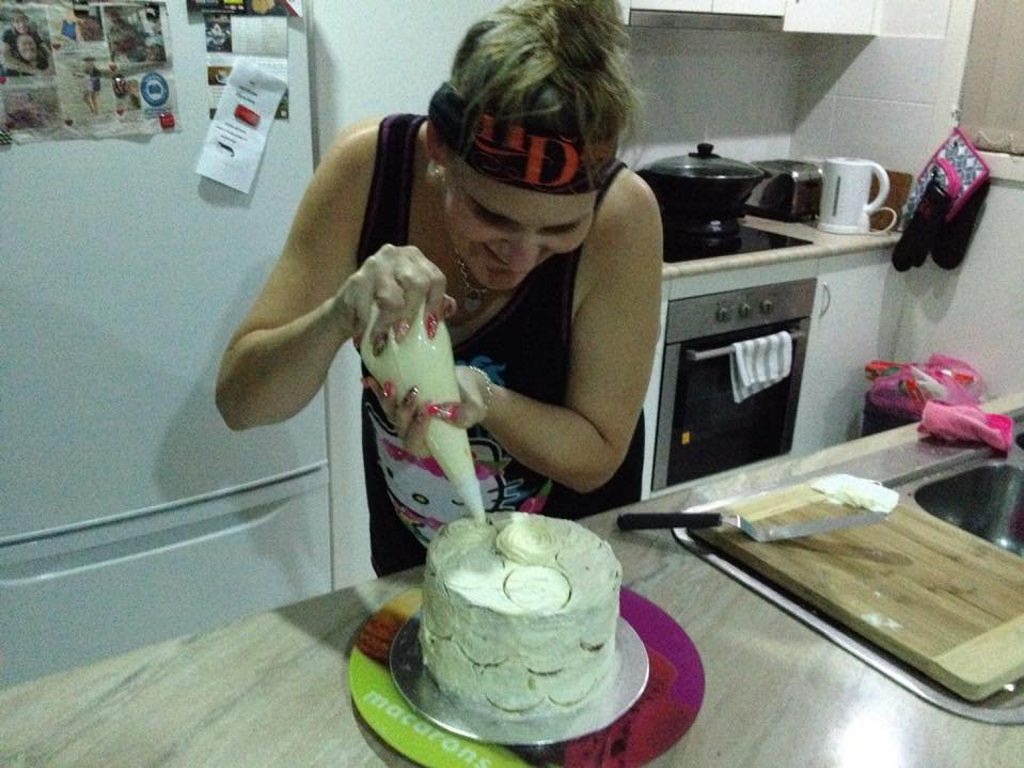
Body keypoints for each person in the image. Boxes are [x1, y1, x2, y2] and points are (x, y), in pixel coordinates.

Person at [216, 0, 663, 575]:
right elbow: (241, 403)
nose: (522, 255)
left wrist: (485, 398)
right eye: (492, 215)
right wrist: (338, 314)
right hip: (417, 563)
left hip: (566, 575)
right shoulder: (368, 170)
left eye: (561, 229)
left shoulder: (623, 218)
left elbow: (596, 457)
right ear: (439, 152)